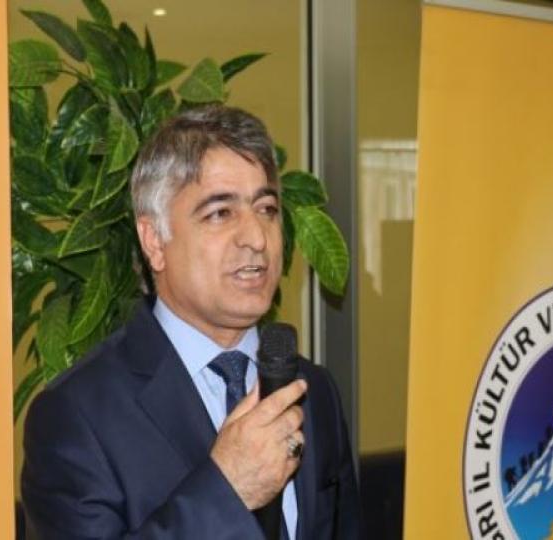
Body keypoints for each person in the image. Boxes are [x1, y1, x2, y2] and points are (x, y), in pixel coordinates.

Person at [21, 105, 362, 539]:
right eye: (220, 213)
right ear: (154, 241)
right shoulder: (75, 416)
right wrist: (228, 491)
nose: (257, 238)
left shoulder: (314, 391)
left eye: (266, 209)